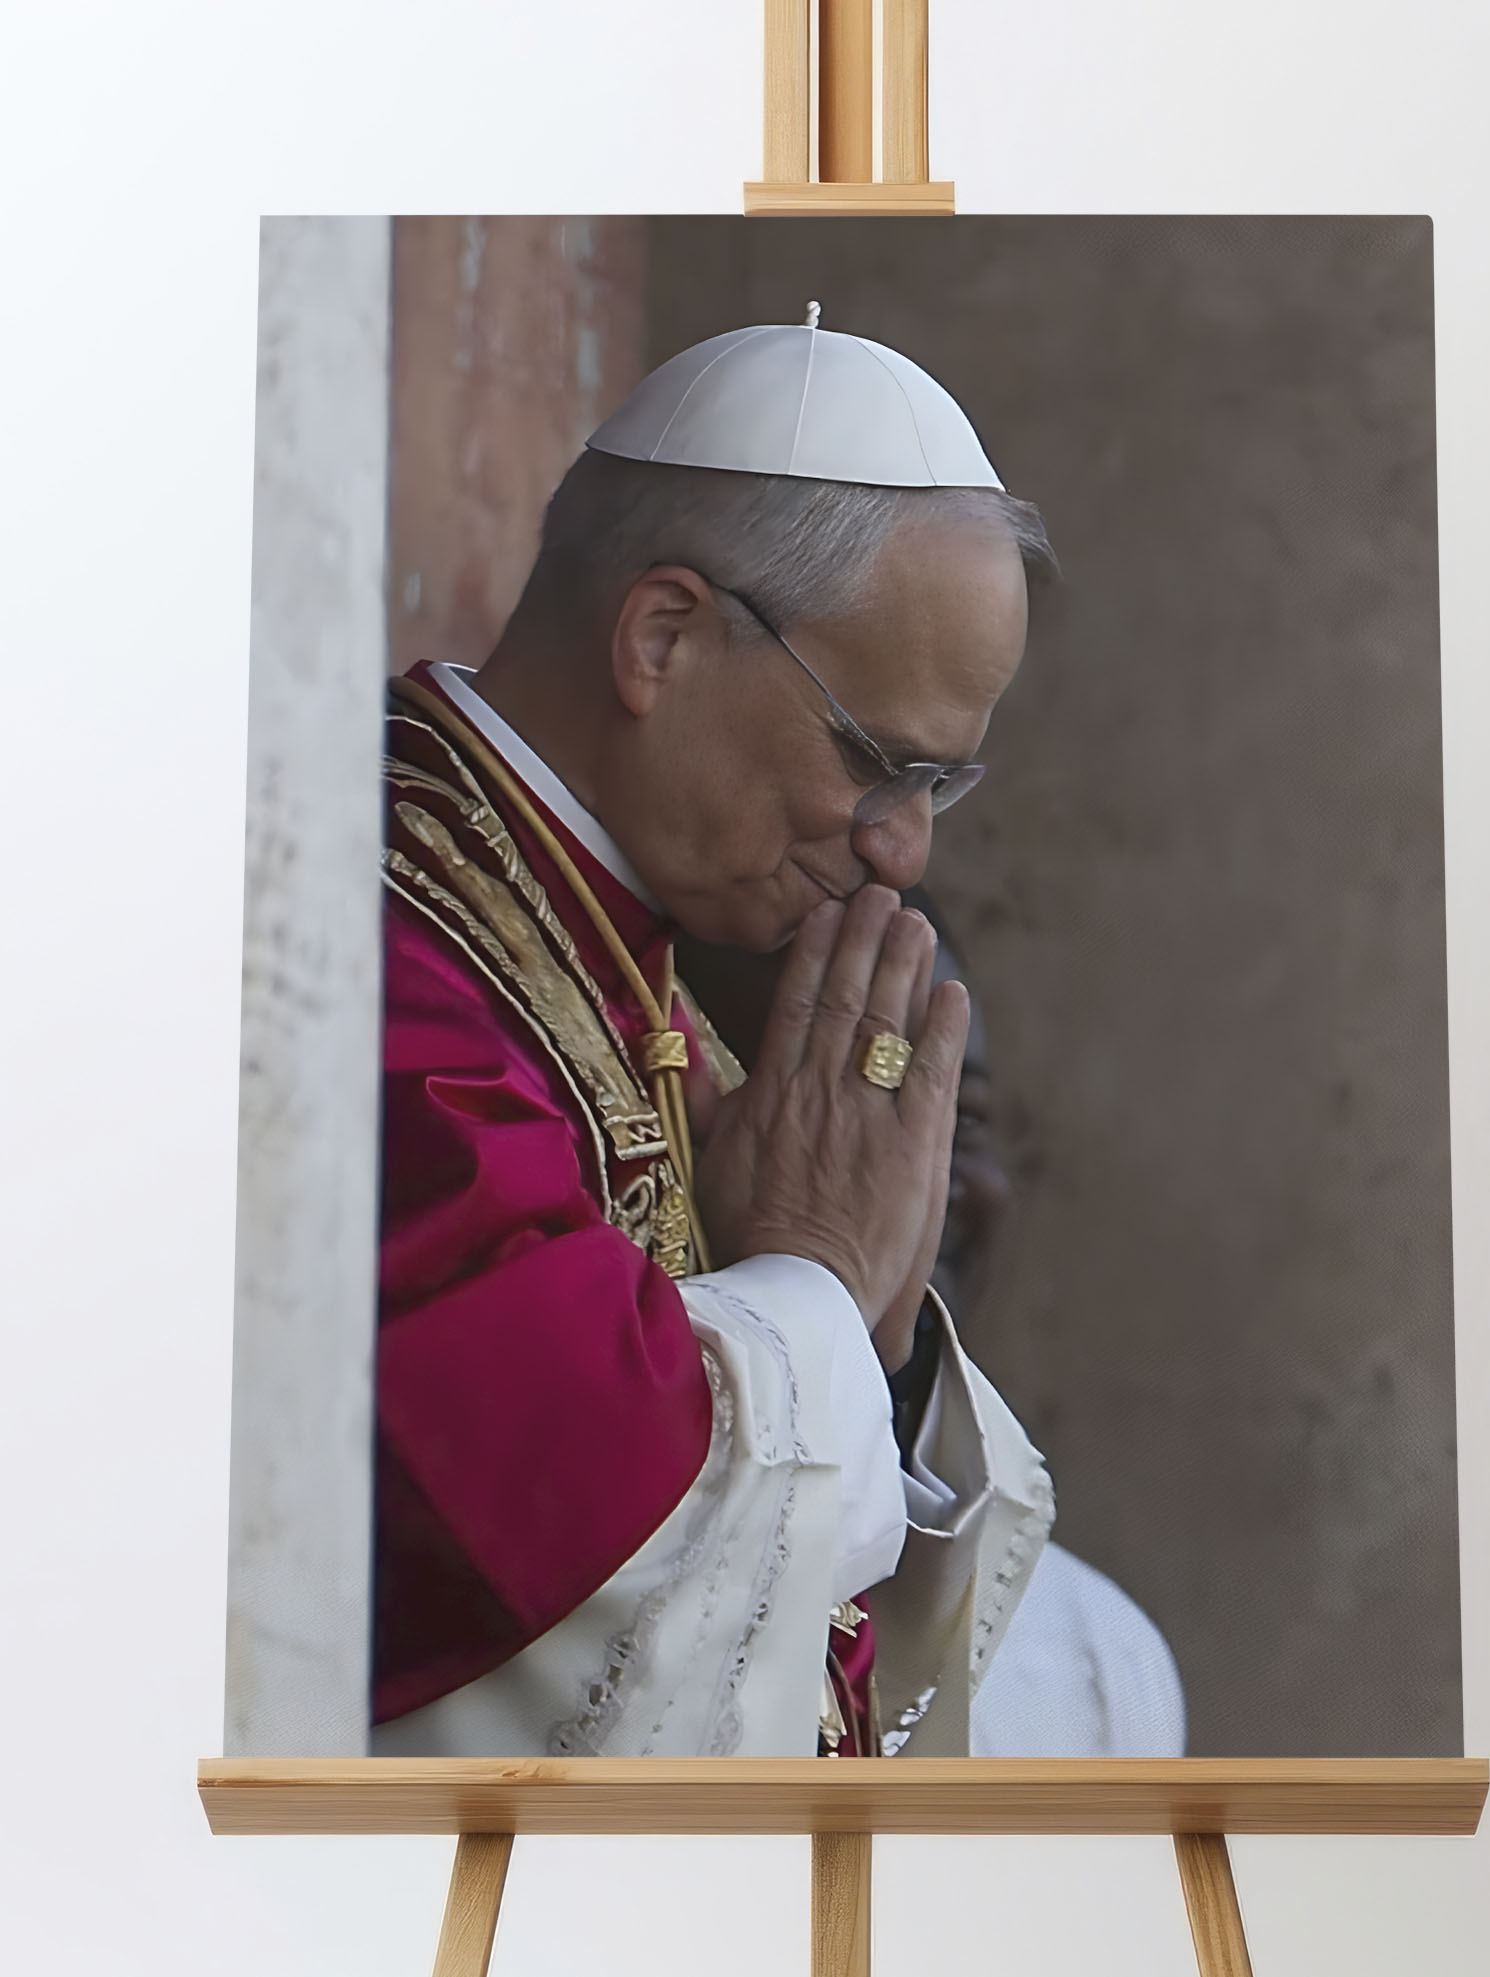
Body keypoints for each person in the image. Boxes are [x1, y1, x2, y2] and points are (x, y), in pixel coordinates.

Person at [371, 312, 1058, 1758]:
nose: (903, 850)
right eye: (876, 760)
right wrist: (811, 1281)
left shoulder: (647, 983)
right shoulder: (374, 948)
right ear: (663, 637)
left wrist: (858, 1330)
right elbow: (478, 1521)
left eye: (942, 784)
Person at [680, 895, 1189, 1758]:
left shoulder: (1098, 1658)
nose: (917, 1171)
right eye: (845, 1100)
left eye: (963, 1114)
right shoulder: (620, 1595)